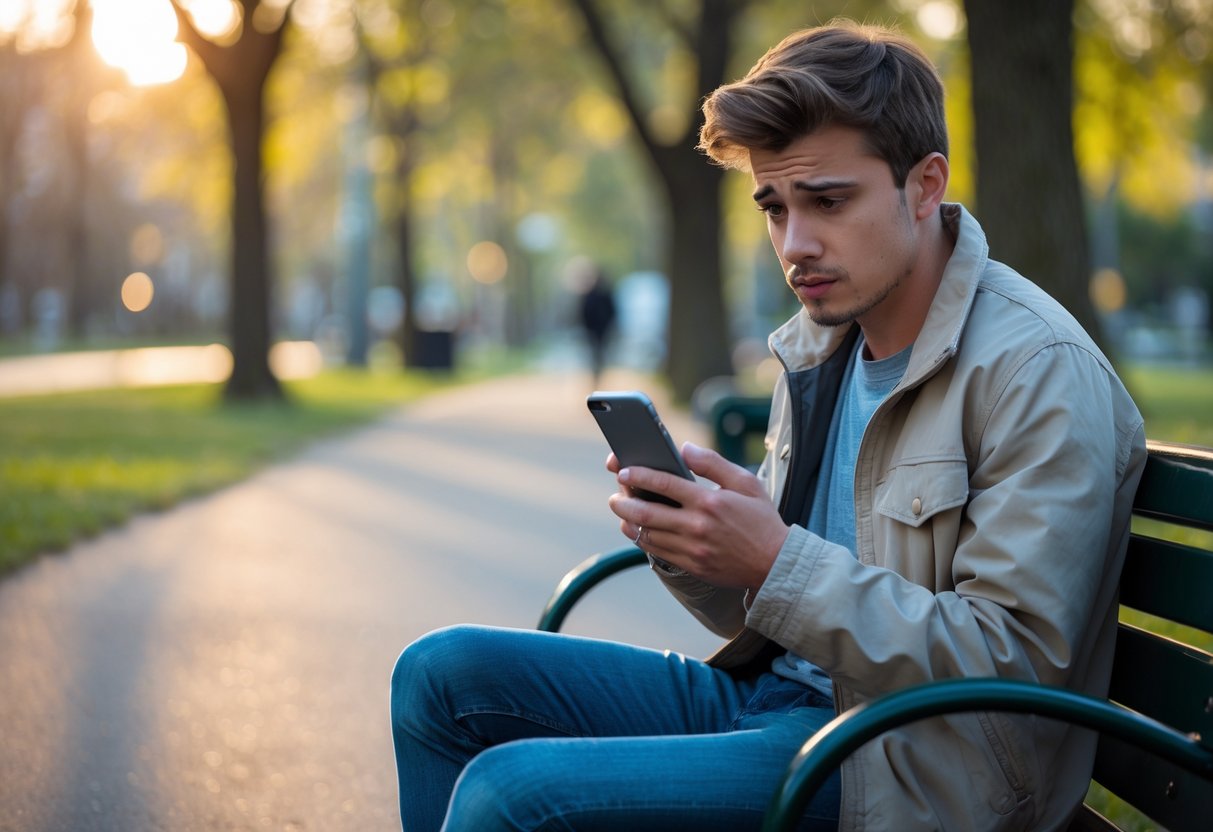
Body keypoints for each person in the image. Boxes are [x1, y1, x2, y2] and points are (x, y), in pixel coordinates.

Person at [390, 20, 1146, 831]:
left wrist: (778, 561)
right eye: (773, 207)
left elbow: (1014, 664)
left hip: (903, 766)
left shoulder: (1034, 369)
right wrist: (701, 548)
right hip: (779, 700)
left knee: (512, 798)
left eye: (827, 201)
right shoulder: (822, 345)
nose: (795, 245)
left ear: (924, 186)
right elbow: (757, 615)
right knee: (439, 674)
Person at [577, 264, 617, 387]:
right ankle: (596, 376)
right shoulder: (596, 295)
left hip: (599, 331)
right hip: (596, 331)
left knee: (597, 355)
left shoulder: (595, 295)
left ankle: (597, 376)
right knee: (596, 355)